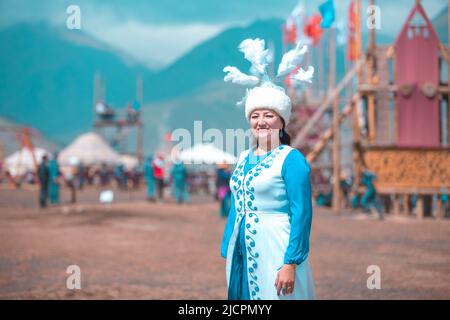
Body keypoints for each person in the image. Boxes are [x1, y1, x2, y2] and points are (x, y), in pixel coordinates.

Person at [220, 84, 316, 300]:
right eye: (255, 116)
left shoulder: (292, 159)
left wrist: (291, 262)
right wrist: (229, 247)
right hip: (241, 250)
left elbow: (302, 213)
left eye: (268, 115)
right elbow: (237, 204)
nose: (260, 121)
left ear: (281, 121)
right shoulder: (243, 157)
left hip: (276, 247)